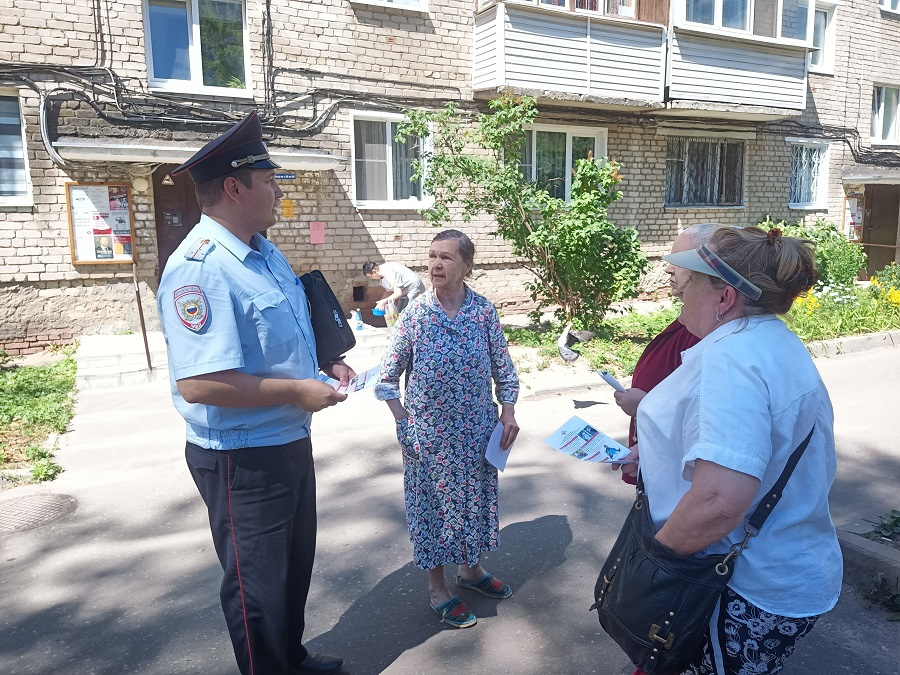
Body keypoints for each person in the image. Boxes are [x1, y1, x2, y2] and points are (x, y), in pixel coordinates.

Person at [156, 111, 353, 675]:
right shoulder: (200, 269)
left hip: (286, 438)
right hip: (241, 456)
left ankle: (290, 659)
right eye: (269, 181)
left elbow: (277, 335)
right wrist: (296, 390)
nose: (277, 190)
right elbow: (199, 383)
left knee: (292, 569)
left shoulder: (263, 251)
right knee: (256, 589)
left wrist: (325, 360)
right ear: (236, 187)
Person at [620, 226, 842, 675]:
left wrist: (648, 567)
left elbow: (719, 503)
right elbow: (759, 447)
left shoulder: (731, 360)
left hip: (743, 582)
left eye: (689, 282)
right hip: (783, 571)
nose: (679, 292)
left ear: (724, 297)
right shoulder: (768, 340)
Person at [374, 229, 520, 629]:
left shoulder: (483, 312)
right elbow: (386, 379)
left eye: (447, 258)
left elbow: (504, 372)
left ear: (467, 266)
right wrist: (405, 423)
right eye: (432, 256)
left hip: (476, 432)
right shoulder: (416, 315)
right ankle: (438, 587)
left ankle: (471, 571)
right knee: (432, 511)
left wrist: (508, 413)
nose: (436, 265)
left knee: (472, 503)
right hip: (429, 440)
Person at [612, 224, 721, 484]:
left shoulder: (711, 333)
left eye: (679, 262)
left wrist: (645, 405)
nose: (668, 269)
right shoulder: (697, 320)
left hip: (681, 483)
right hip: (663, 463)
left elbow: (704, 417)